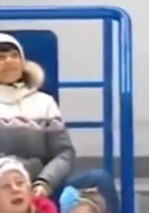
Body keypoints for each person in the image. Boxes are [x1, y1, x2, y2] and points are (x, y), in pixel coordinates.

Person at [0, 33, 120, 213]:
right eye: (1, 57)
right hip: (6, 189)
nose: (9, 61)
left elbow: (64, 152)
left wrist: (44, 183)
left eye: (14, 56)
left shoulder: (44, 102)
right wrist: (13, 183)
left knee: (99, 180)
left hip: (44, 187)